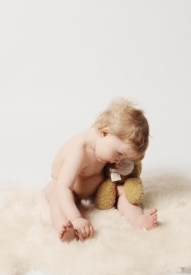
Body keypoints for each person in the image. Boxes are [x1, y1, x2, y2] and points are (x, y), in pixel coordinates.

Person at [44, 98, 158, 242]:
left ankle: (136, 219)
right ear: (105, 133)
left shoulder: (104, 147)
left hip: (96, 187)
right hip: (66, 188)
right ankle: (66, 228)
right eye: (119, 154)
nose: (119, 160)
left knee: (123, 190)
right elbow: (64, 187)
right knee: (55, 195)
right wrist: (76, 218)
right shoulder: (79, 151)